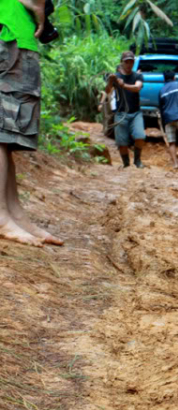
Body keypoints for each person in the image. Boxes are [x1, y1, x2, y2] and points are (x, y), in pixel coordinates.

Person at [0, 0, 63, 246]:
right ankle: (3, 217)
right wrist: (38, 7)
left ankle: (14, 214)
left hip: (11, 35)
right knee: (2, 132)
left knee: (6, 134)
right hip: (10, 34)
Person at [105, 51, 146, 168]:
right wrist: (110, 81)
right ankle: (126, 164)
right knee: (122, 143)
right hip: (120, 113)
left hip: (135, 113)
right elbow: (107, 91)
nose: (129, 64)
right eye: (126, 62)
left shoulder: (137, 76)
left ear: (134, 62)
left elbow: (137, 87)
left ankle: (137, 160)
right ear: (122, 62)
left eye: (131, 62)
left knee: (140, 136)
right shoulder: (115, 76)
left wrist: (123, 85)